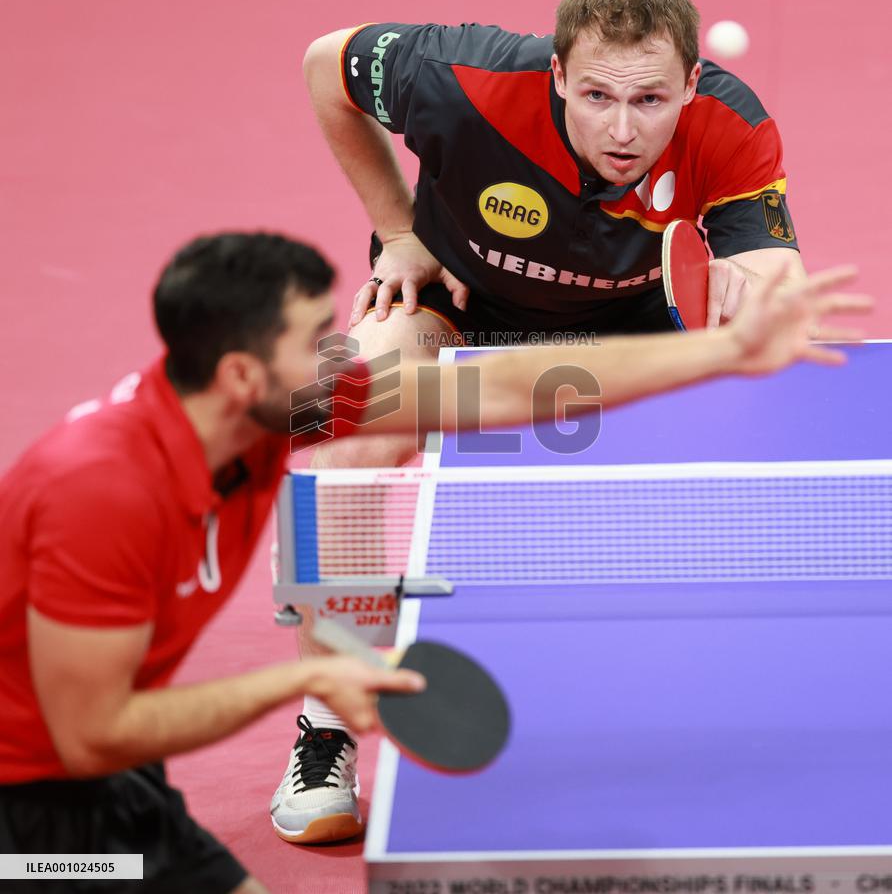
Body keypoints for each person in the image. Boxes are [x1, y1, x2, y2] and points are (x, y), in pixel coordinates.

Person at [0, 230, 868, 887]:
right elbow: (91, 731)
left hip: (105, 775)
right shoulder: (103, 492)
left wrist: (724, 351)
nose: (344, 355)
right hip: (27, 804)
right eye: (316, 339)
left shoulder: (259, 413)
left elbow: (494, 386)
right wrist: (305, 680)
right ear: (238, 372)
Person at [284, 0, 812, 841]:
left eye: (650, 101)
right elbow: (320, 65)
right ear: (558, 73)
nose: (621, 126)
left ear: (690, 84)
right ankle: (324, 727)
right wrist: (398, 233)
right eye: (597, 94)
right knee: (335, 440)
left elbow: (769, 261)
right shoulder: (461, 80)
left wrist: (760, 296)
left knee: (751, 428)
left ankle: (697, 687)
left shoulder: (732, 118)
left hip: (627, 334)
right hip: (454, 302)